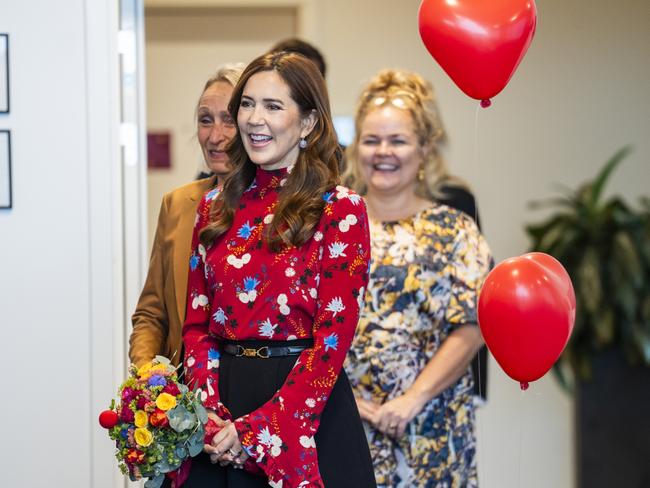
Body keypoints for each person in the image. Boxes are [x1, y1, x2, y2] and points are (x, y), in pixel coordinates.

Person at [182, 51, 377, 487]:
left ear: (307, 123)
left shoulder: (340, 209)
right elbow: (196, 325)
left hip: (304, 411)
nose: (254, 119)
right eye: (247, 104)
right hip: (219, 411)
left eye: (273, 106)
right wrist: (209, 414)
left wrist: (256, 432)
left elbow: (333, 338)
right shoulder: (213, 208)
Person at [343, 69, 492, 487]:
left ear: (424, 149)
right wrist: (346, 401)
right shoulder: (332, 226)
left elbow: (474, 324)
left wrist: (411, 401)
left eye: (398, 140)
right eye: (371, 140)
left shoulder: (455, 229)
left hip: (432, 426)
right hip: (345, 425)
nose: (382, 152)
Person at [129, 63, 245, 368]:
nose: (215, 136)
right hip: (185, 392)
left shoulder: (278, 207)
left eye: (229, 121)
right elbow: (152, 313)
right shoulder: (178, 204)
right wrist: (147, 375)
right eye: (206, 121)